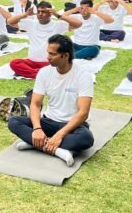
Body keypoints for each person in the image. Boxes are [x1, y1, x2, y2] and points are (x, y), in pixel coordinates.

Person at [7, 35, 94, 167]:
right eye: (48, 52)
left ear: (65, 56)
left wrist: (59, 136)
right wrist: (37, 129)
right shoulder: (44, 73)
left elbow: (83, 113)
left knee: (86, 139)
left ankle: (37, 144)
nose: (47, 57)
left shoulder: (83, 76)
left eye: (52, 54)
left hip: (73, 126)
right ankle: (57, 150)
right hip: (49, 121)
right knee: (14, 121)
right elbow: (35, 104)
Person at [7, 2, 82, 79]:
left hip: (49, 63)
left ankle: (34, 73)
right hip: (31, 62)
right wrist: (24, 15)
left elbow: (78, 24)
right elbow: (10, 22)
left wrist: (58, 15)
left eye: (43, 12)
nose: (40, 14)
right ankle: (42, 74)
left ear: (50, 13)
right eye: (38, 11)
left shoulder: (58, 25)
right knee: (14, 63)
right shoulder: (30, 23)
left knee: (58, 67)